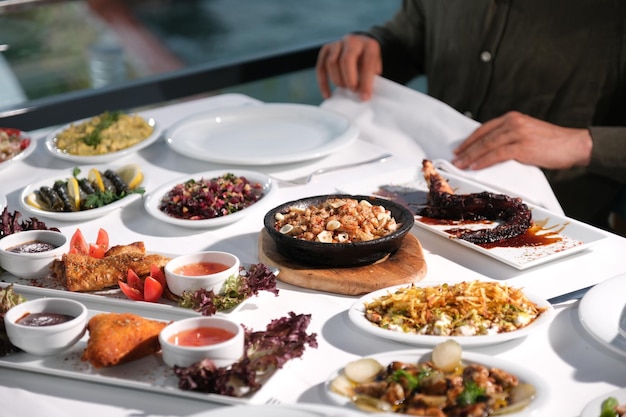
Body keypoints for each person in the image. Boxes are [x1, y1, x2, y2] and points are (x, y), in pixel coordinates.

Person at [315, 0, 626, 234]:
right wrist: (373, 47)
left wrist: (583, 143)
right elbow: (410, 37)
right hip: (423, 209)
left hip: (561, 229)